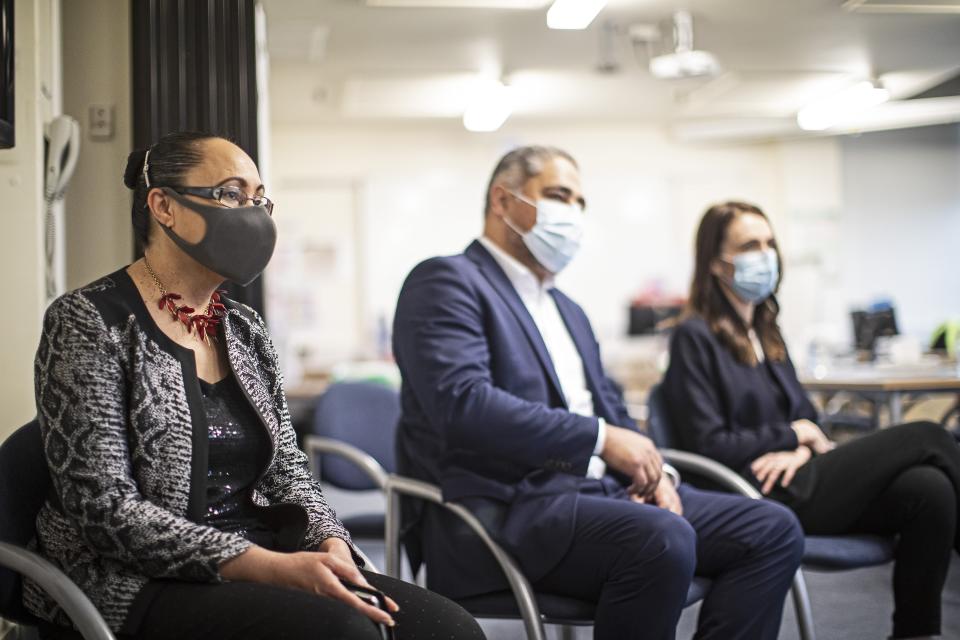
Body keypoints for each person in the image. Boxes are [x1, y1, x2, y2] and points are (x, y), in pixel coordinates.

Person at [27, 131, 486, 640]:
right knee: (343, 632)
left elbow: (288, 468)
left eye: (259, 198)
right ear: (164, 206)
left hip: (262, 551)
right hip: (130, 574)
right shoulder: (89, 320)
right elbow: (104, 510)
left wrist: (329, 540)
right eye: (230, 193)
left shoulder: (243, 327)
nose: (253, 212)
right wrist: (264, 565)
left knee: (451, 628)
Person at [392, 147, 805, 640]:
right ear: (503, 201)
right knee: (662, 539)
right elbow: (463, 405)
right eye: (558, 195)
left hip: (602, 493)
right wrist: (601, 440)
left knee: (772, 528)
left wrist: (658, 473)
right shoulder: (447, 280)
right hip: (508, 510)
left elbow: (610, 407)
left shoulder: (568, 309)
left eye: (580, 202)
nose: (573, 213)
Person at [661, 200, 960, 640]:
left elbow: (808, 417)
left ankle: (915, 634)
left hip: (799, 474)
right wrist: (791, 435)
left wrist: (798, 446)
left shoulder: (766, 329)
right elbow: (707, 444)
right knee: (930, 436)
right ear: (715, 262)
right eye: (749, 245)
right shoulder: (694, 336)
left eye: (769, 243)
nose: (765, 254)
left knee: (929, 490)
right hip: (755, 490)